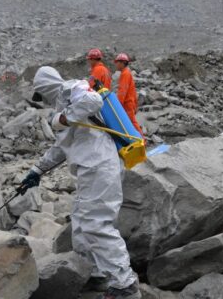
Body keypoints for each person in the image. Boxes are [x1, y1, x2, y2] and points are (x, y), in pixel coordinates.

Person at [21, 67, 140, 299]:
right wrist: (37, 170)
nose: (41, 100)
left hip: (100, 166)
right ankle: (94, 273)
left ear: (47, 86)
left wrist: (63, 118)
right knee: (81, 219)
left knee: (96, 223)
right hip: (92, 168)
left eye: (40, 94)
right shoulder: (64, 101)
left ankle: (124, 283)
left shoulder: (71, 89)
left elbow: (93, 100)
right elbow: (62, 147)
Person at [113, 53, 143, 137]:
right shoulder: (126, 73)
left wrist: (117, 105)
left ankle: (142, 141)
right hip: (130, 103)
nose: (116, 64)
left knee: (132, 123)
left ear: (122, 63)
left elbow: (122, 91)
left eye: (117, 62)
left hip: (127, 104)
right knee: (131, 123)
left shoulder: (125, 74)